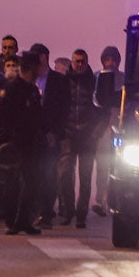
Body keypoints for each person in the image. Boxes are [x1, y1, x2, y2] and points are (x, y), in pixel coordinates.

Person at [0, 51, 47, 235]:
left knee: (32, 183)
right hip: (12, 144)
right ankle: (11, 221)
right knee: (11, 186)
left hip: (30, 144)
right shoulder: (12, 88)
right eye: (39, 66)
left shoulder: (32, 89)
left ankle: (24, 220)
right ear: (32, 68)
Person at [56, 49, 103, 228]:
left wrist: (95, 133)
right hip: (68, 134)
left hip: (87, 135)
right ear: (72, 62)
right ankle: (68, 211)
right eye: (77, 61)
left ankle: (81, 215)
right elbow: (58, 106)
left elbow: (102, 111)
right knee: (65, 174)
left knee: (85, 176)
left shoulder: (94, 82)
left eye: (82, 61)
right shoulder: (64, 82)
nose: (80, 64)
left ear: (87, 61)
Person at [30, 43, 69, 226]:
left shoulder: (58, 80)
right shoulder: (28, 79)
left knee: (49, 174)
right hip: (31, 135)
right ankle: (34, 211)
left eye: (38, 56)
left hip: (50, 135)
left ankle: (46, 212)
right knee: (32, 175)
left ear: (45, 57)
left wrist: (57, 133)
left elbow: (64, 109)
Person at [92, 45, 125, 217]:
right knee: (103, 165)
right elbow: (94, 101)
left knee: (118, 166)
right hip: (103, 127)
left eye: (113, 59)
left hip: (120, 126)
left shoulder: (124, 78)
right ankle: (100, 201)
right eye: (107, 59)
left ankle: (114, 200)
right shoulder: (97, 77)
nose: (110, 63)